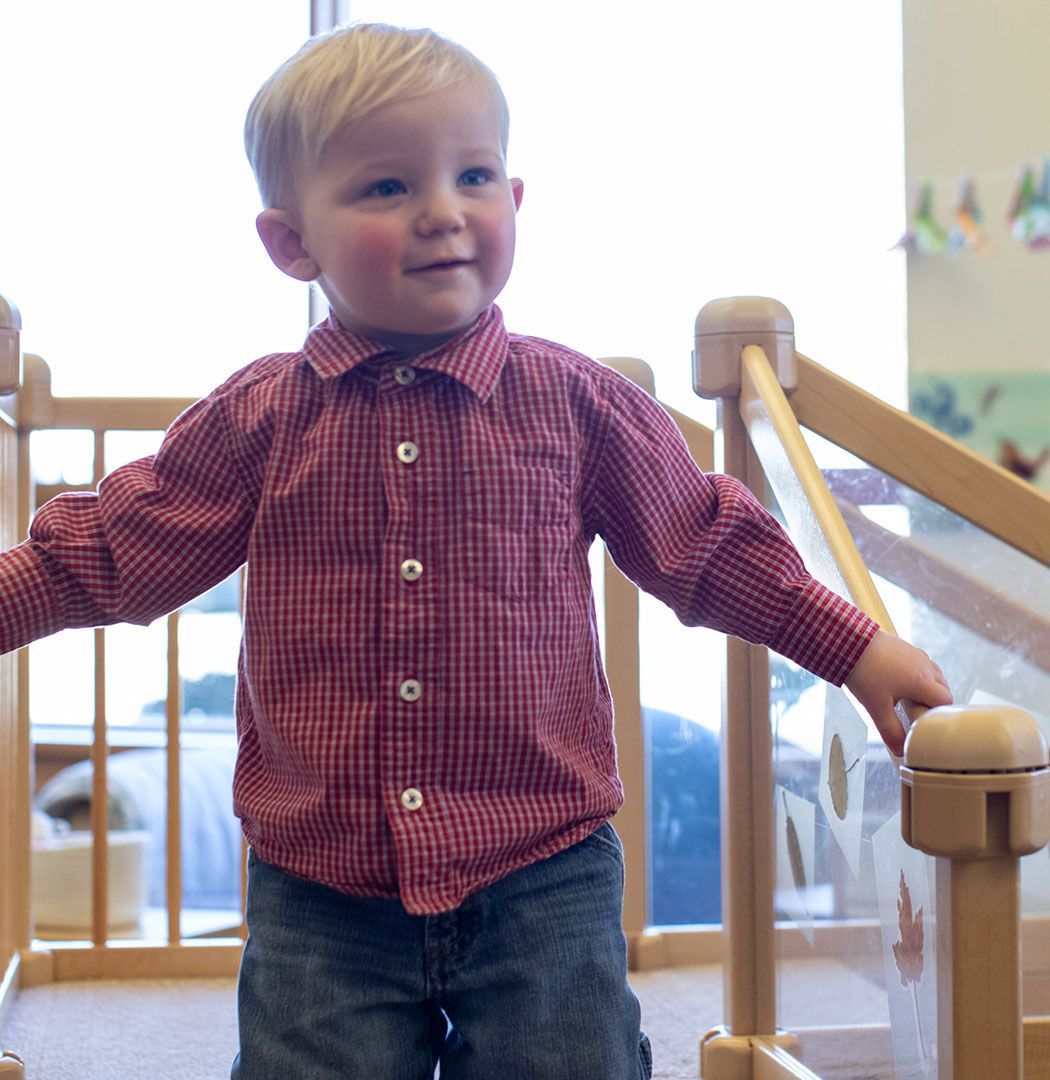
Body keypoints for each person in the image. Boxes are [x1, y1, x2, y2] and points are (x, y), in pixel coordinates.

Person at [0, 22, 952, 1080]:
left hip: (538, 868)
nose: (443, 212)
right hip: (324, 885)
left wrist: (854, 648)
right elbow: (111, 549)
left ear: (515, 201)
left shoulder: (575, 402)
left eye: (473, 175)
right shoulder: (261, 422)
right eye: (386, 188)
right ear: (291, 244)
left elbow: (706, 544)